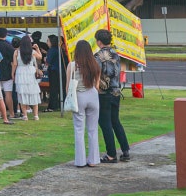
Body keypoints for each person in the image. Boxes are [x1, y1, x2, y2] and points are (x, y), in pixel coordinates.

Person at [95, 29, 131, 164]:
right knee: (115, 121)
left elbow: (96, 74)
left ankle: (111, 154)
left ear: (99, 41)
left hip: (104, 92)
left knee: (105, 123)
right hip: (116, 91)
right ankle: (125, 150)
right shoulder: (116, 54)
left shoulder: (98, 56)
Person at [68, 39, 101, 168]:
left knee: (79, 129)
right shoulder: (95, 65)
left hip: (79, 95)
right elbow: (97, 85)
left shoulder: (72, 65)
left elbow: (68, 87)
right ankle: (93, 160)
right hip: (92, 95)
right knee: (93, 130)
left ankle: (80, 160)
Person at [13, 36, 43, 121]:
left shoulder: (16, 52)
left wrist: (13, 73)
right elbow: (40, 57)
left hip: (20, 72)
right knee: (33, 92)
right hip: (30, 71)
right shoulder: (32, 52)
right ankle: (36, 115)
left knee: (22, 93)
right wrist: (37, 48)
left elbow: (15, 64)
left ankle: (25, 115)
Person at [0, 28, 18, 119]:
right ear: (6, 35)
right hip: (7, 72)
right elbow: (13, 60)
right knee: (8, 94)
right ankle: (11, 113)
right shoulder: (9, 46)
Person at [45, 34, 68, 111]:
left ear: (51, 42)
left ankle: (53, 105)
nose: (46, 42)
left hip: (54, 72)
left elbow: (48, 62)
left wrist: (46, 60)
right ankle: (63, 104)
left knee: (54, 89)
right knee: (62, 89)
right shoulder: (60, 49)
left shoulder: (51, 50)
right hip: (62, 71)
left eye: (48, 40)